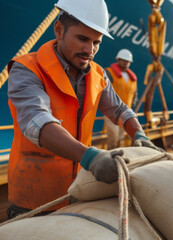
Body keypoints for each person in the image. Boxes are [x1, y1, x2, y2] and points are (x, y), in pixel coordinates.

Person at [6, 0, 163, 219]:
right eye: (82, 39)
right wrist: (91, 157)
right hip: (32, 202)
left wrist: (139, 134)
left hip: (77, 194)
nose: (90, 50)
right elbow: (37, 123)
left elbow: (119, 110)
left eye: (96, 42)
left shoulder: (98, 74)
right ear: (59, 30)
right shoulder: (27, 69)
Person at [104, 49, 138, 149]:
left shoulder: (133, 79)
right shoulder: (109, 73)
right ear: (118, 59)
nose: (125, 62)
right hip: (111, 112)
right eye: (123, 60)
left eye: (127, 61)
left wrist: (132, 109)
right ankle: (111, 157)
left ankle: (120, 157)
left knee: (121, 138)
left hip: (125, 113)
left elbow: (135, 95)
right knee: (113, 137)